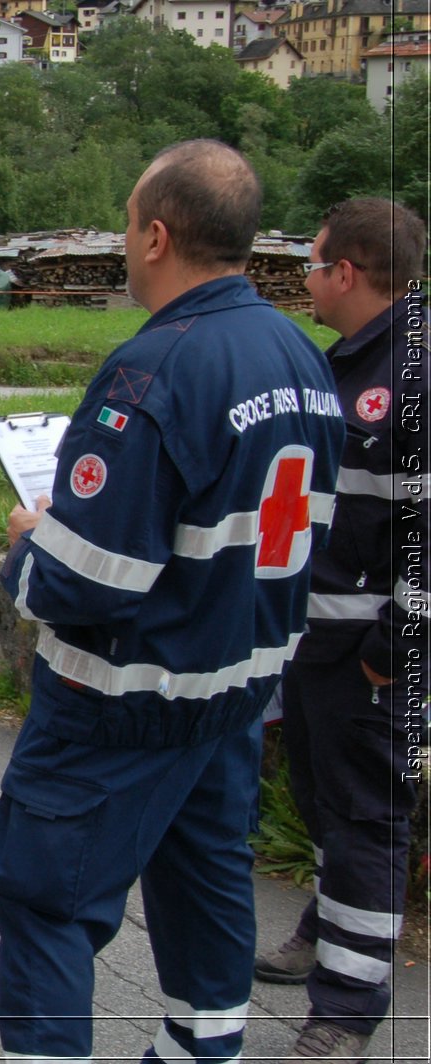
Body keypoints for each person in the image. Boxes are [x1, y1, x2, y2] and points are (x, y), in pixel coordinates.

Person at [0, 141, 345, 1060]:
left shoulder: (153, 372)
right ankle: (200, 1049)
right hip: (236, 693)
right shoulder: (303, 357)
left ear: (154, 234)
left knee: (46, 903)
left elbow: (87, 581)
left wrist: (29, 545)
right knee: (206, 882)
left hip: (122, 702)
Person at [251, 198, 428, 1063]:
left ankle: (345, 1016)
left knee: (367, 821)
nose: (307, 281)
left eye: (314, 266)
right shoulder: (352, 363)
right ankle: (327, 933)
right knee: (328, 808)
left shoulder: (416, 373)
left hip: (374, 661)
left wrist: (391, 661)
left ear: (347, 273)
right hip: (322, 647)